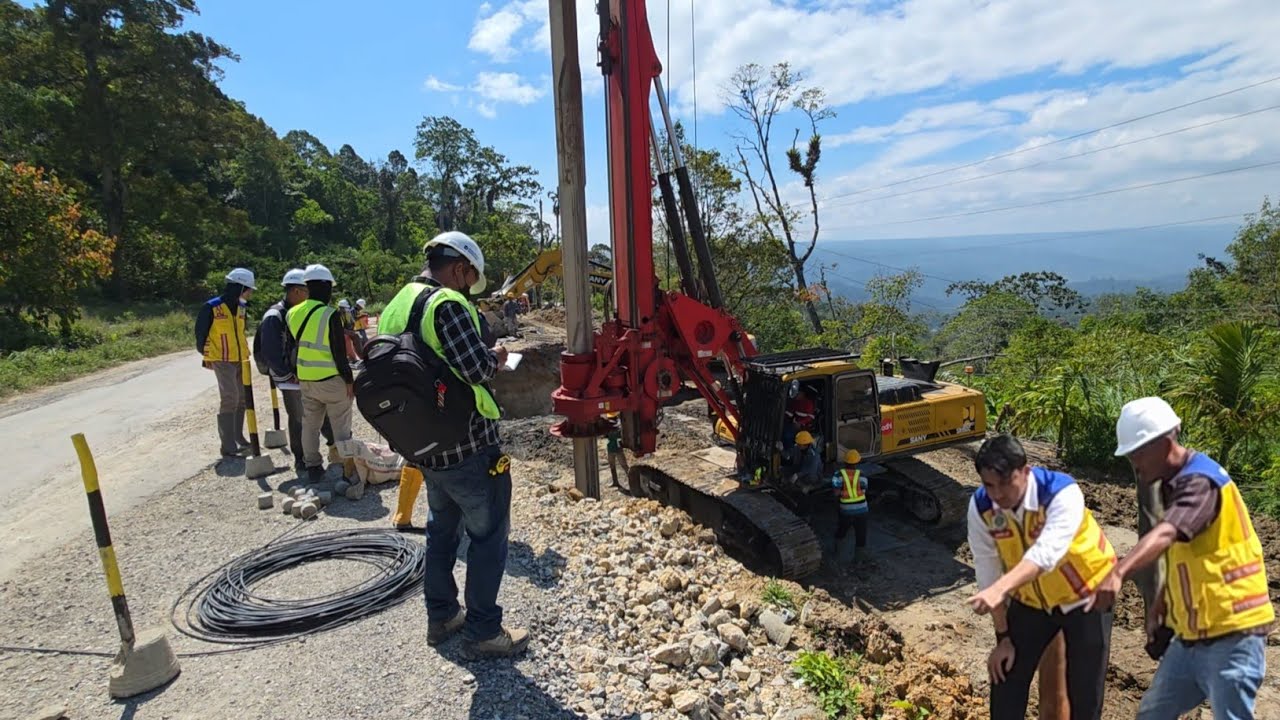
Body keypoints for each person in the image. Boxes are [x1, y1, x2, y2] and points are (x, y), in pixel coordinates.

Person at [377, 230, 525, 660]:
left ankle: (441, 617)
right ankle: (483, 632)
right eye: (469, 278)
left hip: (425, 447)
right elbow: (477, 369)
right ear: (460, 268)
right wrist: (495, 357)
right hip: (467, 445)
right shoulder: (447, 304)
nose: (467, 288)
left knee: (442, 530)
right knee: (488, 535)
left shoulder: (396, 304)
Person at [1092, 397, 1272, 719]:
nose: (1134, 463)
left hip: (1233, 633)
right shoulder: (1170, 485)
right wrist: (1161, 606)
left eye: (1137, 452)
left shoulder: (1201, 481)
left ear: (1164, 442)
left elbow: (1165, 535)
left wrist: (1119, 573)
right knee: (1152, 713)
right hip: (1192, 637)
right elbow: (1181, 557)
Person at [966, 434, 1117, 720]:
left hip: (1086, 596)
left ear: (1025, 472)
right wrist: (1003, 637)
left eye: (1005, 483)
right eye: (989, 485)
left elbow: (1047, 554)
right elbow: (987, 571)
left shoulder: (1061, 493)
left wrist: (1001, 588)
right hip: (1033, 602)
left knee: (1083, 696)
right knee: (1005, 674)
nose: (998, 494)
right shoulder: (982, 507)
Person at [254, 269, 335, 474]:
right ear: (298, 292)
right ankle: (303, 460)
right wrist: (289, 374)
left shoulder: (293, 312)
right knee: (300, 418)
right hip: (290, 378)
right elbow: (271, 352)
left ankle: (335, 448)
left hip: (303, 374)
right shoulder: (275, 316)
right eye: (308, 292)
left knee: (318, 413)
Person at [285, 264, 355, 484]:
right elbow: (338, 352)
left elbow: (290, 347)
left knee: (310, 425)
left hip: (306, 379)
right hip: (332, 380)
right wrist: (349, 380)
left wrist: (295, 372)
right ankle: (348, 469)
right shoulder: (329, 314)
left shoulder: (292, 312)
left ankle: (313, 467)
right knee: (341, 426)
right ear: (326, 287)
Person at [195, 267, 256, 459]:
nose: (250, 293)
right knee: (230, 397)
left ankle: (238, 437)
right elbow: (200, 334)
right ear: (240, 287)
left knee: (242, 398)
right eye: (249, 289)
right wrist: (208, 356)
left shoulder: (241, 308)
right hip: (221, 359)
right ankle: (228, 446)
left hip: (240, 359)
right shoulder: (211, 307)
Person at [832, 450, 869, 563]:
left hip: (846, 510)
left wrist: (843, 494)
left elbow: (836, 493)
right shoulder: (862, 474)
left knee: (841, 531)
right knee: (861, 534)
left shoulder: (838, 475)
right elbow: (863, 490)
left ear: (845, 462)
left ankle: (838, 555)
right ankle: (859, 560)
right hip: (862, 510)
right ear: (857, 462)